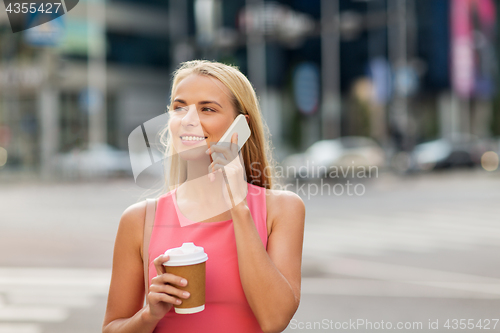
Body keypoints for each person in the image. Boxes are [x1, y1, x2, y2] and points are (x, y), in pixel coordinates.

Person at [102, 60, 305, 333]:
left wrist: (238, 207)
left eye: (207, 109)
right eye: (179, 108)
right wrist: (149, 315)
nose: (189, 120)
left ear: (240, 127)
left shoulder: (282, 209)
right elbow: (112, 327)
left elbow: (275, 320)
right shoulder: (139, 220)